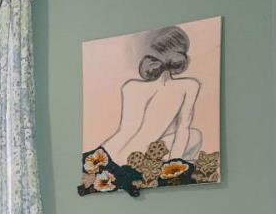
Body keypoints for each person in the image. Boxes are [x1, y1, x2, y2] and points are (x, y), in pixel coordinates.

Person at [80, 26, 203, 196]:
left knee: (193, 135)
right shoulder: (189, 86)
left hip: (106, 156)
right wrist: (174, 165)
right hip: (132, 164)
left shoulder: (131, 87)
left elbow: (126, 130)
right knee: (194, 135)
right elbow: (183, 130)